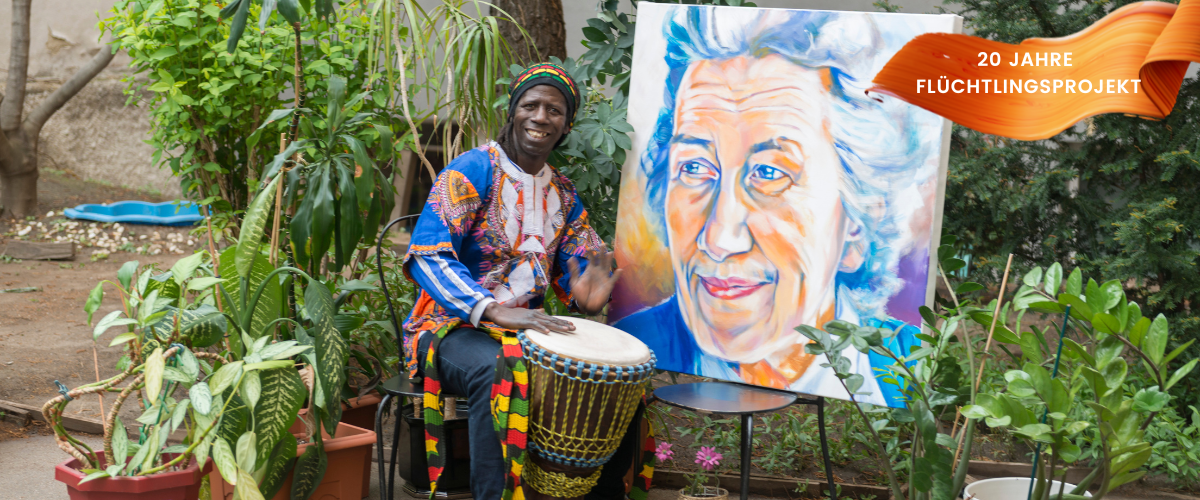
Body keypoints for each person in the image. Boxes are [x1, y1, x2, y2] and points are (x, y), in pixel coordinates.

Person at [613, 7, 942, 408]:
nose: (720, 237)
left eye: (770, 173)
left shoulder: (904, 366)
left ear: (857, 224)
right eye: (695, 167)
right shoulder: (630, 344)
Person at [401, 62, 639, 500]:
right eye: (531, 105)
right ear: (513, 112)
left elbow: (582, 267)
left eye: (554, 110)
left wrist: (587, 298)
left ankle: (604, 494)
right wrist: (490, 308)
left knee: (616, 378)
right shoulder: (470, 171)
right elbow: (427, 258)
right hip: (447, 329)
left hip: (524, 331)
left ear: (566, 126)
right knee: (503, 371)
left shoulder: (565, 196)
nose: (541, 117)